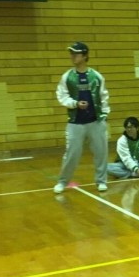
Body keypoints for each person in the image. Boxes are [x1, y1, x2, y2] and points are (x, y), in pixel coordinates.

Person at [53, 42, 111, 194]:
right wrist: (75, 104)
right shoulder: (67, 77)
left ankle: (101, 181)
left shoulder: (97, 77)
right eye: (71, 53)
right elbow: (61, 95)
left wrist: (104, 115)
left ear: (85, 56)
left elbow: (103, 96)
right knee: (71, 155)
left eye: (76, 53)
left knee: (101, 152)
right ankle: (62, 182)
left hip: (96, 122)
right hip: (75, 123)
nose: (72, 56)